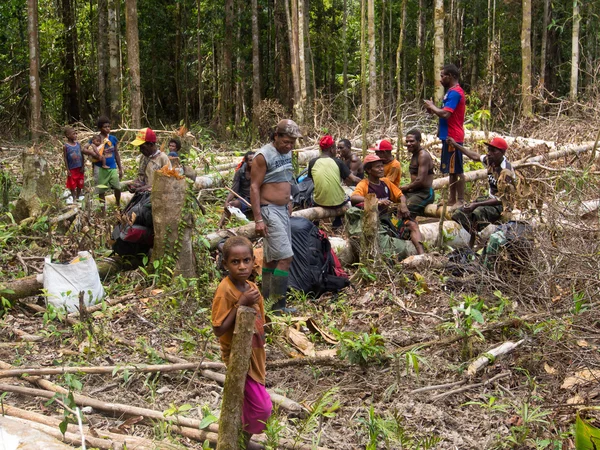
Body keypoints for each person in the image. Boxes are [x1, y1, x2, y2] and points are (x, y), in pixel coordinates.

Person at [211, 236, 272, 444]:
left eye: (246, 260)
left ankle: (239, 440)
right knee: (262, 408)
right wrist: (241, 304)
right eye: (235, 262)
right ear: (225, 263)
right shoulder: (225, 290)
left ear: (254, 260)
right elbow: (218, 329)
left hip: (255, 354)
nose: (242, 266)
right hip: (239, 360)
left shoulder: (252, 289)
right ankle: (242, 441)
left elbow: (261, 319)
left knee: (246, 403)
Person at [251, 119, 302, 314]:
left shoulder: (288, 153)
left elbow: (286, 177)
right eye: (286, 141)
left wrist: (289, 199)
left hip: (282, 210)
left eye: (292, 142)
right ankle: (278, 307)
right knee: (286, 257)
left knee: (272, 259)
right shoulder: (263, 156)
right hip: (269, 210)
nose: (289, 146)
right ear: (276, 136)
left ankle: (266, 303)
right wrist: (258, 219)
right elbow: (255, 187)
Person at [447, 136, 515, 247]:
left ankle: (474, 243)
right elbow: (474, 156)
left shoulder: (505, 171)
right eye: (488, 150)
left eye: (493, 151)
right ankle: (477, 238)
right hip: (490, 199)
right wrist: (456, 145)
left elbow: (501, 200)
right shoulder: (490, 161)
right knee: (459, 212)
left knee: (477, 212)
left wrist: (477, 204)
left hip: (503, 205)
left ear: (502, 152)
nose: (489, 153)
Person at [351, 154, 424, 254]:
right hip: (376, 222)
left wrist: (403, 204)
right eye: (378, 167)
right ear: (368, 170)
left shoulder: (385, 182)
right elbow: (354, 198)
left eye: (382, 166)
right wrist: (376, 201)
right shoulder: (364, 184)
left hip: (389, 219)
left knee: (412, 225)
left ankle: (422, 254)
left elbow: (400, 195)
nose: (381, 169)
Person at [424, 63, 466, 207]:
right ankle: (451, 199)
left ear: (451, 76)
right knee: (451, 170)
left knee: (457, 168)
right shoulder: (450, 92)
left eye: (442, 76)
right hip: (447, 136)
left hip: (453, 137)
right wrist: (433, 110)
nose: (440, 79)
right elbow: (443, 113)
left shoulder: (455, 93)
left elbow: (446, 113)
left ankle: (460, 200)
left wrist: (432, 106)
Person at [308, 135, 360, 228]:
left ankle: (315, 223)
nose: (337, 151)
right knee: (346, 197)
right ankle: (337, 221)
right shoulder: (337, 162)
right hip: (337, 203)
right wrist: (368, 183)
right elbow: (353, 179)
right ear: (332, 149)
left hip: (319, 201)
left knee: (312, 197)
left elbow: (314, 182)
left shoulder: (312, 162)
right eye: (336, 148)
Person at [399, 129, 435, 218]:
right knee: (395, 205)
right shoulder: (415, 154)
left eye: (412, 141)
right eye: (407, 141)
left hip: (425, 193)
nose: (408, 144)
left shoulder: (422, 155)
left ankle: (406, 230)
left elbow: (420, 180)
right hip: (414, 192)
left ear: (419, 141)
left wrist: (407, 187)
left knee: (405, 209)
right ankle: (395, 228)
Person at [218, 151, 255, 228]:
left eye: (255, 160)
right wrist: (227, 202)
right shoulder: (240, 173)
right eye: (251, 160)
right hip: (245, 199)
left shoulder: (260, 171)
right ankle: (219, 227)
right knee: (230, 205)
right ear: (245, 161)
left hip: (258, 198)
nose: (253, 162)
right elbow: (233, 190)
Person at [93, 116, 123, 208]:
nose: (108, 129)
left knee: (117, 187)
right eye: (105, 127)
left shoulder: (113, 139)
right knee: (101, 191)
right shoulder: (95, 139)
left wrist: (120, 168)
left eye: (109, 127)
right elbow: (88, 151)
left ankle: (118, 203)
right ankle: (103, 211)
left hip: (112, 167)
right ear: (100, 128)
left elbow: (116, 154)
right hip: (99, 168)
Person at [63, 127, 84, 203]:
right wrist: (67, 169)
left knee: (80, 182)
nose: (75, 135)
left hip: (79, 167)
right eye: (73, 134)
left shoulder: (78, 144)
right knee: (72, 183)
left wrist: (83, 166)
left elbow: (82, 155)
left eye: (76, 133)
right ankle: (74, 197)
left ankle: (78, 196)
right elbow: (65, 158)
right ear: (68, 135)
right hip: (72, 168)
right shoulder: (66, 146)